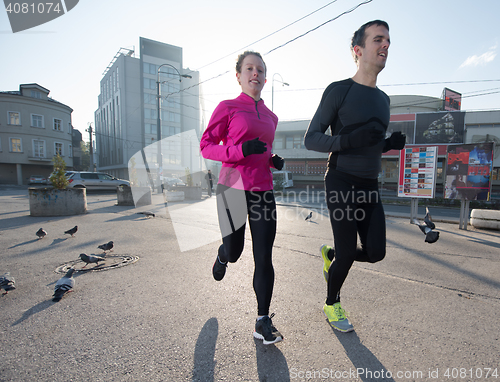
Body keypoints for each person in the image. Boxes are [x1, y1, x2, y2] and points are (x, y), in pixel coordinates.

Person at [304, 20, 406, 332]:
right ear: (358, 50)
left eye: (388, 40)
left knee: (375, 253)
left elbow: (369, 143)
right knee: (349, 252)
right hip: (341, 179)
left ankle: (331, 255)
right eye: (378, 39)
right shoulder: (339, 91)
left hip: (368, 184)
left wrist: (387, 145)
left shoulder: (384, 100)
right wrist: (347, 141)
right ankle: (332, 302)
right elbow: (312, 138)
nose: (385, 45)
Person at [200, 51, 285, 345]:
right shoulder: (228, 107)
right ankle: (223, 254)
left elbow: (261, 150)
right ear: (238, 75)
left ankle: (263, 320)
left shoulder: (272, 116)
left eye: (261, 69)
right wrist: (239, 151)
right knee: (235, 252)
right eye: (250, 68)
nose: (256, 74)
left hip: (263, 190)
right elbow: (206, 147)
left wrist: (272, 160)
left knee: (264, 257)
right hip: (231, 188)